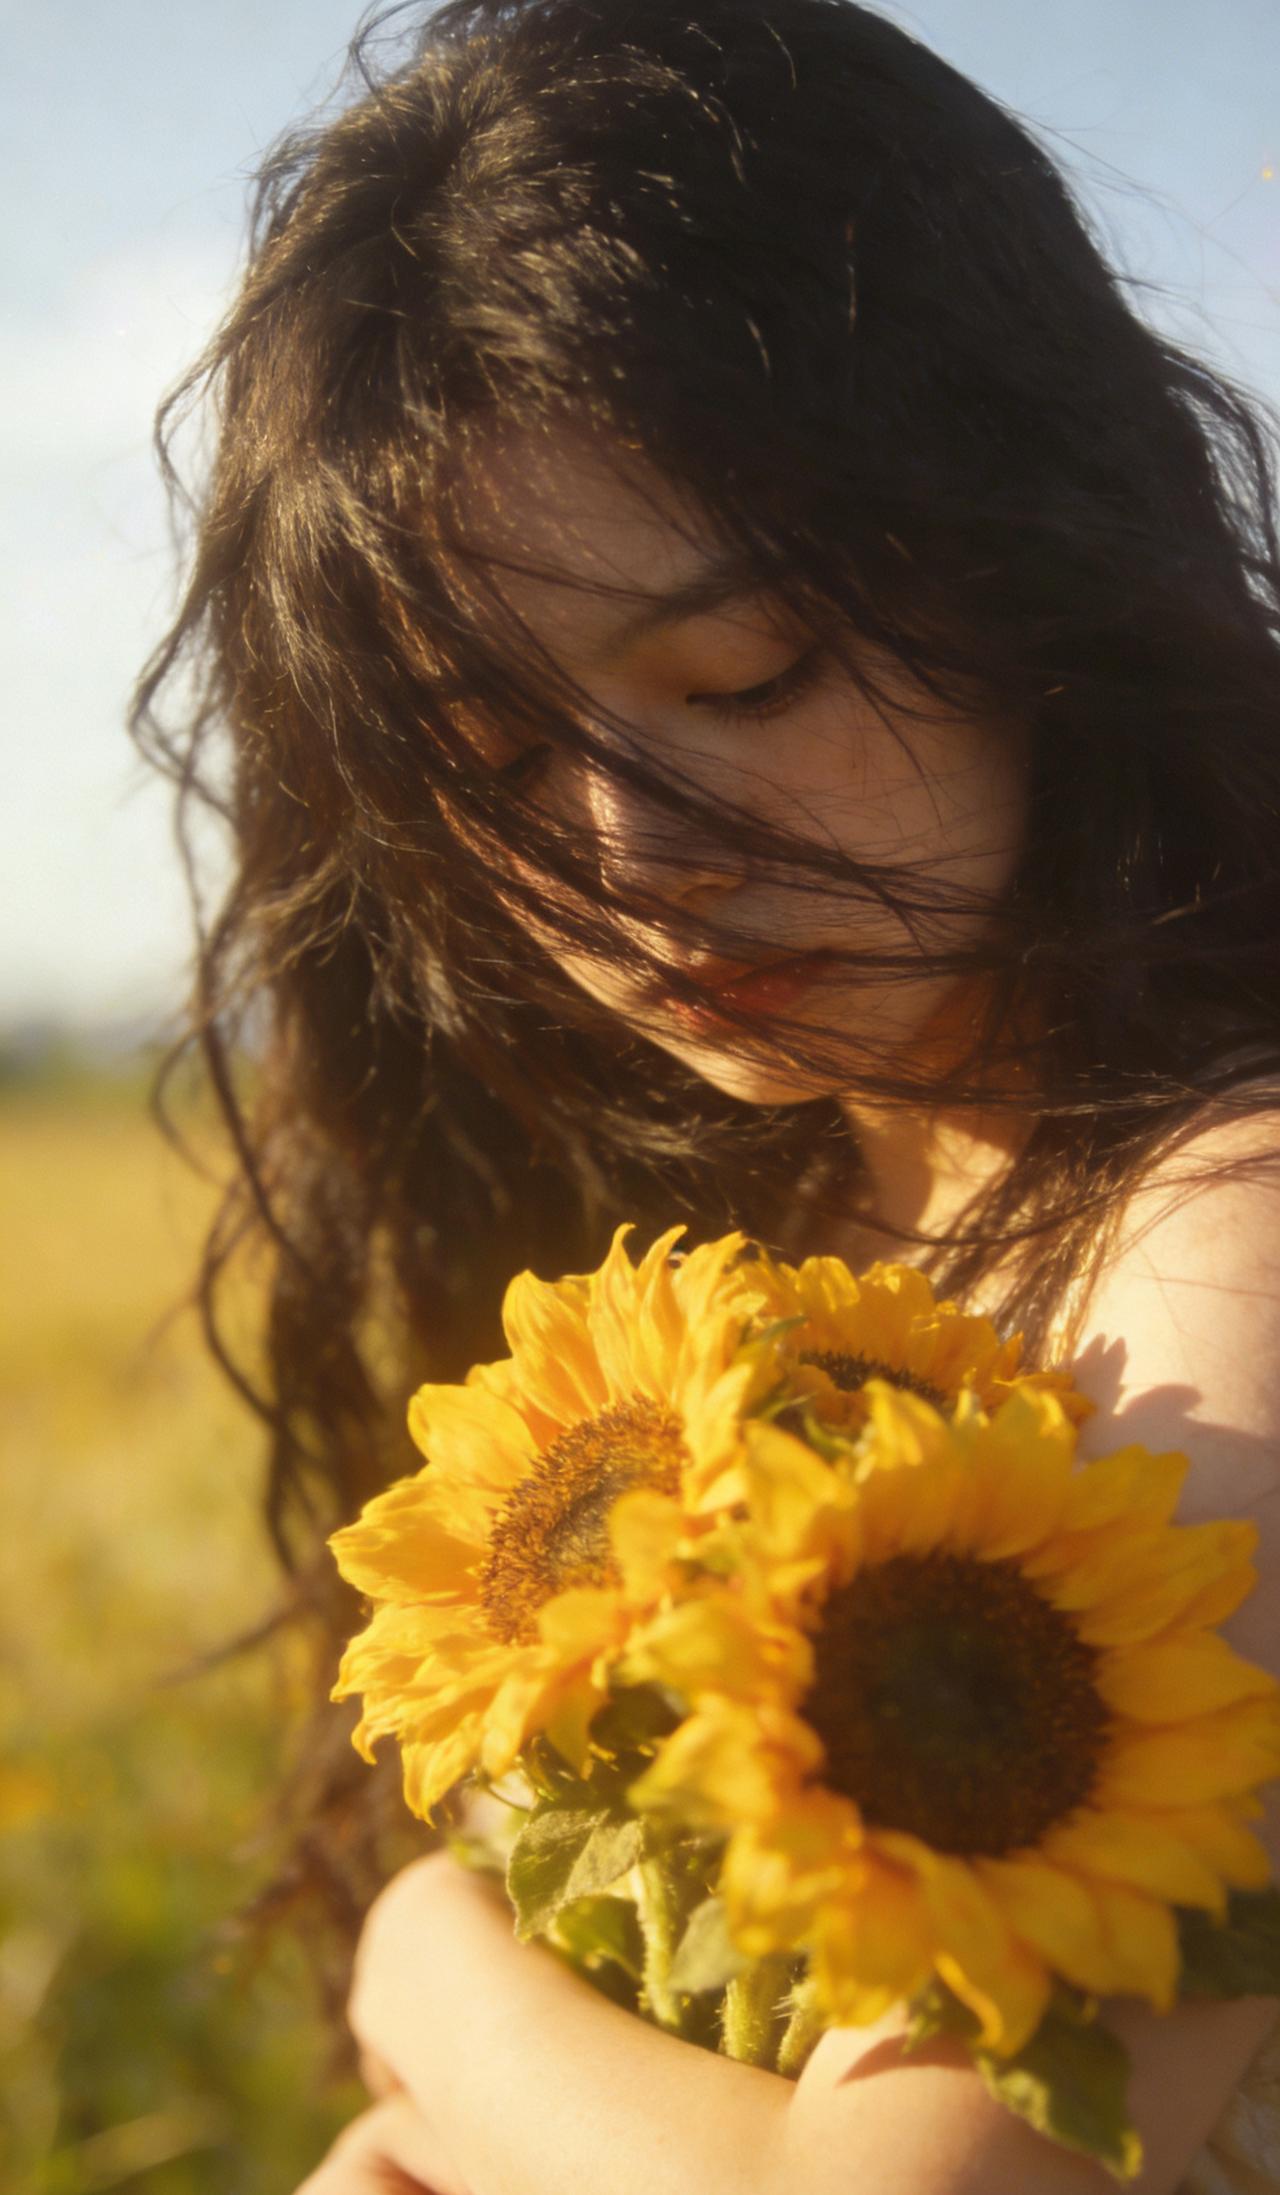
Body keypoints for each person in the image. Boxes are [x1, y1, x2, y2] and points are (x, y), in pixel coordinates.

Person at [131, 0, 1280, 2187]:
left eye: (742, 675)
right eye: (481, 767)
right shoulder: (736, 1255)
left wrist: (426, 1965)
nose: (636, 858)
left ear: (1033, 562)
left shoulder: (1232, 1242)